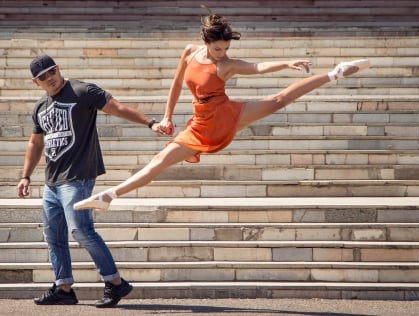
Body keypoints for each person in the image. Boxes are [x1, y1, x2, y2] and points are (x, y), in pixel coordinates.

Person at [74, 11, 370, 212]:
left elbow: (256, 67)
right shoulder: (190, 51)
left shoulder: (225, 65)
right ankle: (109, 196)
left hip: (223, 114)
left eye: (226, 48)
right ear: (206, 43)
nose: (223, 53)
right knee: (159, 161)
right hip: (199, 120)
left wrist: (286, 63)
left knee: (279, 100)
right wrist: (167, 116)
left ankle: (335, 74)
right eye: (218, 49)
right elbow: (177, 83)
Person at [16, 54, 165, 307]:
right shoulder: (40, 107)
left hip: (78, 177)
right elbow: (35, 142)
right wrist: (25, 176)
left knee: (81, 230)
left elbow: (116, 106)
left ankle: (116, 284)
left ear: (58, 69)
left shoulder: (81, 91)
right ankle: (63, 288)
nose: (49, 78)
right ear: (36, 82)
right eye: (43, 77)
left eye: (51, 72)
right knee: (53, 235)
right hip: (52, 182)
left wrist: (150, 122)